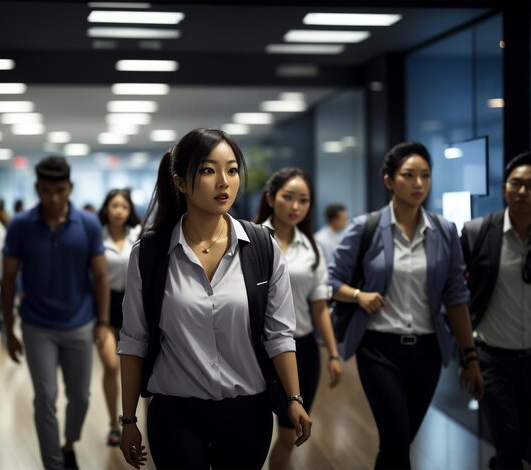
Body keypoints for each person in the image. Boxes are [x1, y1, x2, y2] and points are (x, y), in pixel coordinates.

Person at [117, 128, 312, 470]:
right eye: (208, 170)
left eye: (232, 170)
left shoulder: (263, 247)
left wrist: (294, 398)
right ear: (179, 182)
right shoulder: (149, 254)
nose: (224, 181)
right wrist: (128, 420)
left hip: (247, 414)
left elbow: (279, 335)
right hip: (176, 413)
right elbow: (134, 340)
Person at [327, 141, 484, 469]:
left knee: (399, 443)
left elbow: (456, 297)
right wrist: (359, 295)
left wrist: (469, 356)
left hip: (427, 353)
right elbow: (330, 283)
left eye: (425, 176)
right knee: (397, 439)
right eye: (408, 175)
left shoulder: (444, 231)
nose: (418, 184)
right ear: (389, 180)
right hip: (379, 350)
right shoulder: (365, 227)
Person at [1, 156, 110, 470]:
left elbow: (101, 275)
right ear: (36, 188)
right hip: (37, 326)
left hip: (79, 323)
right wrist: (9, 330)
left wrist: (102, 322)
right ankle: (53, 464)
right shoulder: (20, 225)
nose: (53, 198)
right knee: (45, 398)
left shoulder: (87, 224)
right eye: (46, 191)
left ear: (70, 188)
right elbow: (8, 279)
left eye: (60, 190)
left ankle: (69, 443)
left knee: (81, 396)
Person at [253, 167, 342, 470]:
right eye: (288, 198)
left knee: (290, 434)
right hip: (256, 351)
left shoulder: (312, 249)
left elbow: (319, 306)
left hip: (301, 350)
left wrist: (333, 353)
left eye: (303, 200)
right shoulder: (251, 241)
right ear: (270, 198)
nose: (295, 207)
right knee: (252, 435)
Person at [460, 151, 531, 470]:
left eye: (530, 185)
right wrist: (467, 357)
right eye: (516, 183)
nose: (522, 192)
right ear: (504, 188)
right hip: (492, 358)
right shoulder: (478, 233)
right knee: (508, 443)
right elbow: (456, 297)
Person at [97, 188, 141, 447]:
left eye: (123, 206)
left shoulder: (138, 235)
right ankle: (113, 425)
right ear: (106, 209)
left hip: (133, 306)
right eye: (114, 206)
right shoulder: (97, 238)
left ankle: (141, 423)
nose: (119, 211)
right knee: (111, 366)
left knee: (140, 370)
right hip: (106, 305)